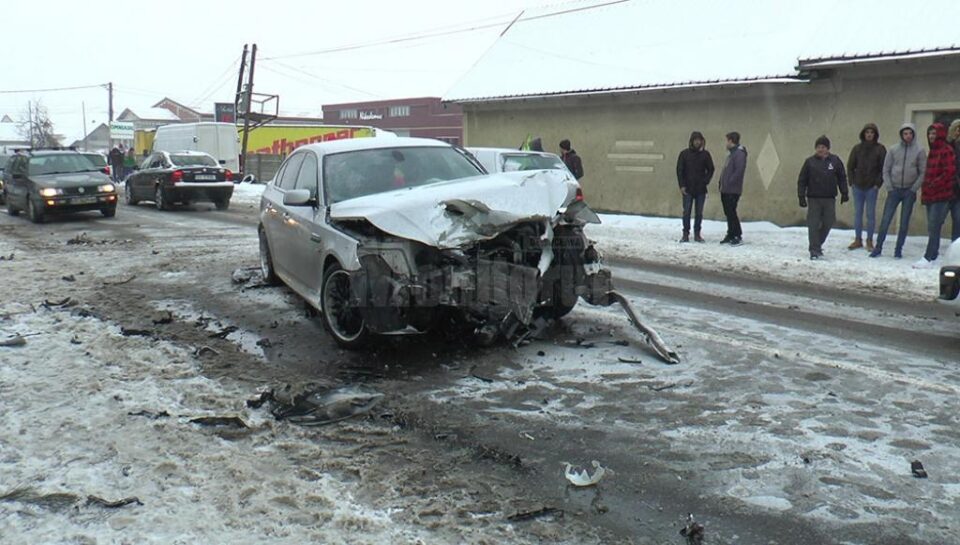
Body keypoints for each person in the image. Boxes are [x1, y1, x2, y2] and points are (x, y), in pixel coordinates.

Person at [870, 122, 926, 259]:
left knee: (904, 222)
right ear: (901, 135)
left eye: (910, 133)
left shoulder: (919, 150)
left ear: (913, 135)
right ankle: (878, 247)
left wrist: (914, 189)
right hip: (894, 189)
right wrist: (889, 186)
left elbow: (923, 172)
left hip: (909, 191)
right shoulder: (893, 149)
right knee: (886, 220)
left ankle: (898, 249)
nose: (908, 136)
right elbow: (886, 169)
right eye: (905, 133)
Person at [913, 123, 957, 268]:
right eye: (930, 133)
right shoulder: (933, 151)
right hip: (930, 195)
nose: (931, 136)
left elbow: (949, 172)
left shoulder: (946, 150)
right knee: (933, 227)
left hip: (942, 194)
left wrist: (933, 184)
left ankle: (929, 256)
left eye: (934, 134)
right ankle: (933, 255)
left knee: (934, 225)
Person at [798, 135, 849, 260]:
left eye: (823, 147)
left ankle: (817, 244)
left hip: (829, 198)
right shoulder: (810, 162)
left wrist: (844, 192)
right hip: (814, 197)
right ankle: (814, 250)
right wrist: (801, 196)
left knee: (829, 221)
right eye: (818, 147)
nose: (821, 149)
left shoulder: (835, 161)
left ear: (828, 148)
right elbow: (802, 180)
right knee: (813, 224)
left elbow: (842, 177)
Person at [846, 123, 886, 251]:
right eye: (867, 132)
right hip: (858, 186)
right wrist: (851, 181)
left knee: (870, 215)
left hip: (871, 187)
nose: (869, 134)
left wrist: (877, 184)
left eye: (872, 132)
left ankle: (869, 240)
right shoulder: (857, 149)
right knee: (858, 214)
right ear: (863, 134)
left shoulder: (880, 149)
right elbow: (850, 166)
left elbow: (883, 168)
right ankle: (858, 239)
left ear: (875, 135)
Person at [675, 131, 715, 242]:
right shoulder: (684, 154)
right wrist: (682, 185)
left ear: (702, 141)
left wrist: (705, 181)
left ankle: (697, 233)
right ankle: (685, 234)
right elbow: (679, 170)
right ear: (691, 141)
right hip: (687, 188)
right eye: (695, 140)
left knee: (699, 213)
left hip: (700, 189)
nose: (697, 142)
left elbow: (711, 169)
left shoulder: (705, 155)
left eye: (699, 140)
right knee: (686, 211)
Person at [718, 131, 747, 245]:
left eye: (727, 140)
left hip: (732, 189)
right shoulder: (731, 154)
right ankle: (730, 233)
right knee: (728, 212)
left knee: (731, 212)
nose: (726, 143)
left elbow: (739, 171)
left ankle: (737, 234)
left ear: (731, 141)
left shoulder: (739, 154)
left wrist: (729, 182)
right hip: (725, 189)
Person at [947, 119, 960, 242]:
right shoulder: (947, 145)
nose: (958, 132)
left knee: (958, 219)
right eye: (956, 129)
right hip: (946, 187)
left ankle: (955, 245)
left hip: (958, 189)